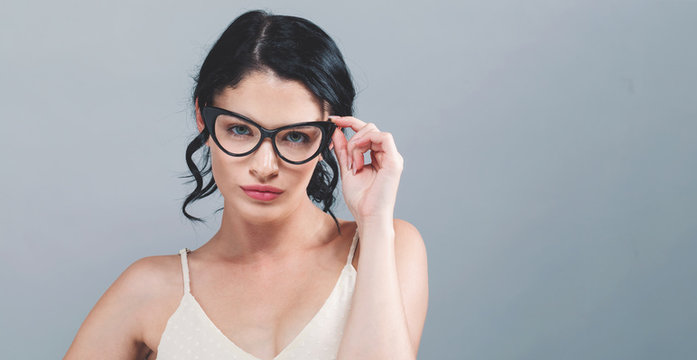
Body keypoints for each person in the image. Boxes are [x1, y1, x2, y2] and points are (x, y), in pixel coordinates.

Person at [64, 10, 428, 360]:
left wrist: (374, 220)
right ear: (202, 120)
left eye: (296, 136)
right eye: (240, 130)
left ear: (331, 138)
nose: (265, 166)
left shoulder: (387, 247)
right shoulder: (150, 289)